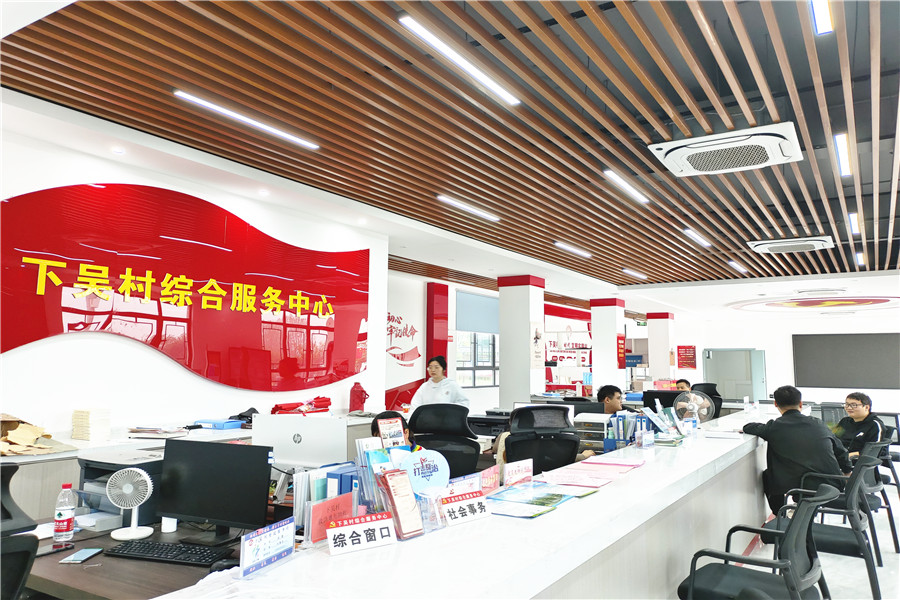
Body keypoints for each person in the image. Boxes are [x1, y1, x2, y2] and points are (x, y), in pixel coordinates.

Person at [742, 385, 852, 514]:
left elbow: (748, 427)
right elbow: (841, 451)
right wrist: (847, 471)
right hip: (832, 483)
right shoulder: (818, 423)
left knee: (768, 476)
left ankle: (780, 515)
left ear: (776, 404)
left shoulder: (775, 427)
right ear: (800, 403)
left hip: (804, 485)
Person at [833, 392, 885, 459]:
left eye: (854, 405)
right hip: (839, 457)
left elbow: (873, 451)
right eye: (847, 404)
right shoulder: (844, 421)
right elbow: (833, 439)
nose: (849, 408)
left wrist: (845, 457)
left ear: (866, 407)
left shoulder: (875, 425)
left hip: (857, 461)